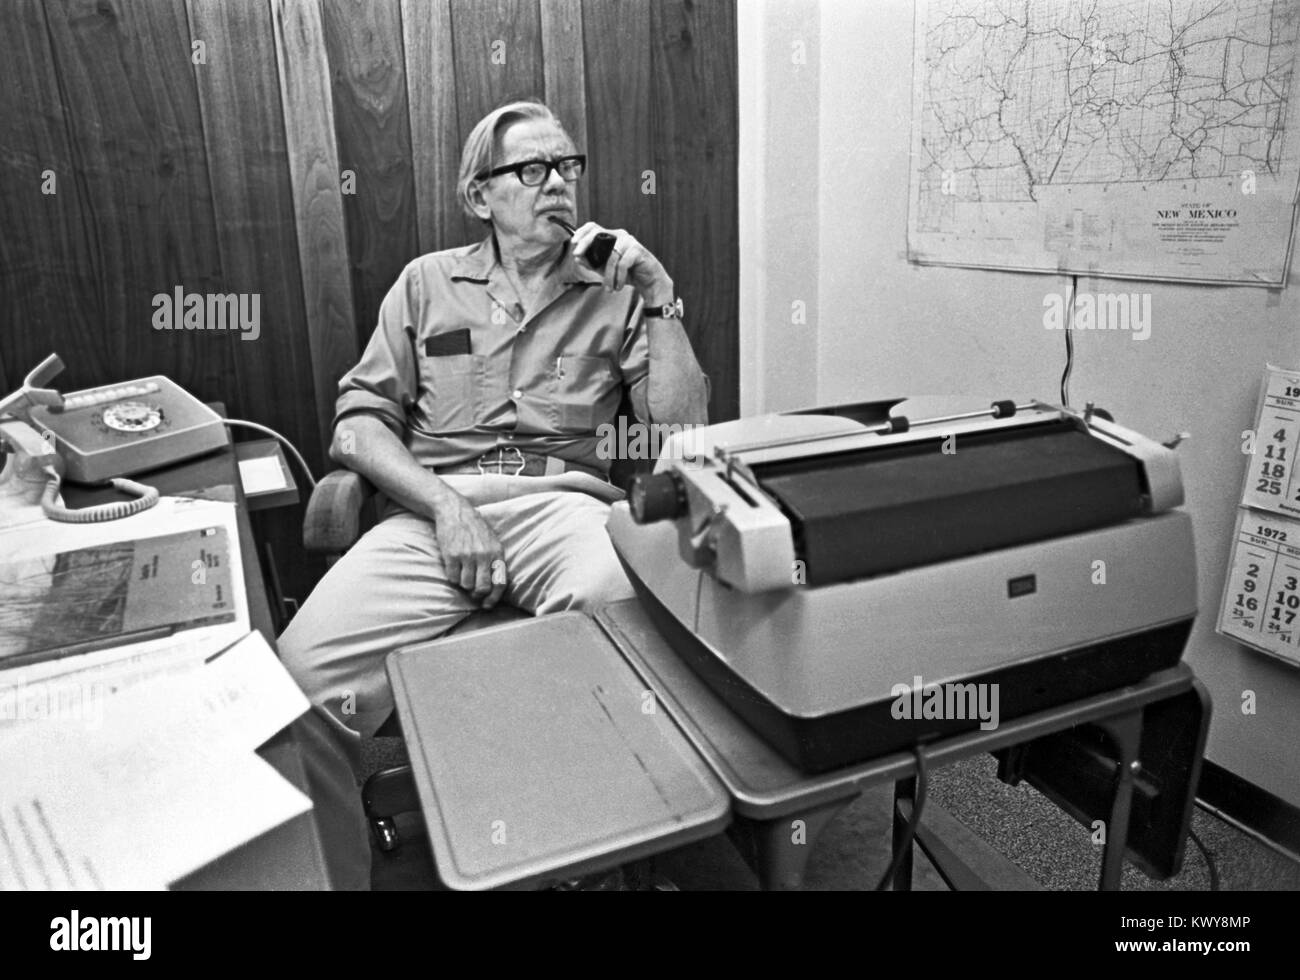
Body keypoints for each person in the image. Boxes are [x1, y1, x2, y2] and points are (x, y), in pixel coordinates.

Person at [277, 100, 709, 881]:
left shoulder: (615, 292)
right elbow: (356, 428)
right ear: (481, 196)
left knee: (626, 629)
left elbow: (684, 427)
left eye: (568, 167)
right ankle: (330, 874)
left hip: (565, 507)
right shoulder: (426, 284)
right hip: (434, 513)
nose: (558, 186)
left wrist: (659, 291)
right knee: (296, 690)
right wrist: (448, 508)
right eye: (533, 170)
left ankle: (591, 851)